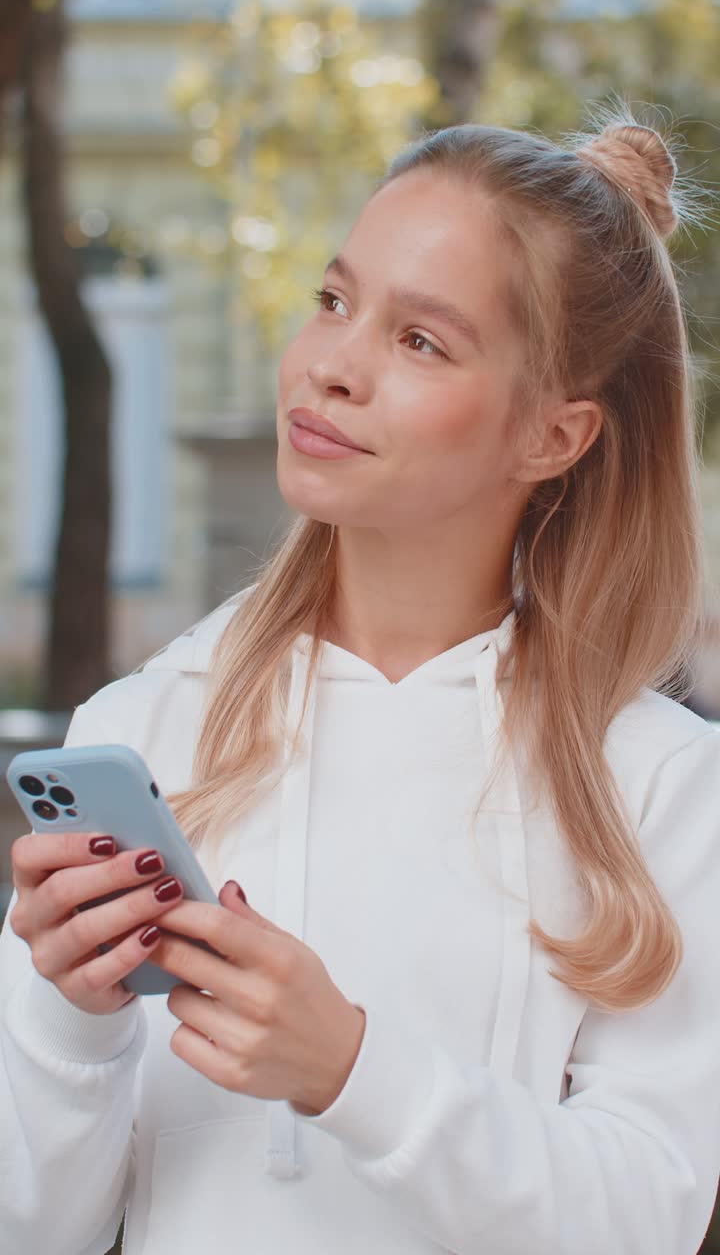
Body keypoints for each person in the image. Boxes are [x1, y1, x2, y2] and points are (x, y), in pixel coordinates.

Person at [1, 99, 720, 1255]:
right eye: (335, 299)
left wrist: (351, 1068)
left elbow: (647, 1216)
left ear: (554, 436)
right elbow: (32, 1227)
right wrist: (69, 1022)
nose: (332, 365)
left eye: (421, 339)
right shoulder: (144, 730)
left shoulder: (661, 785)